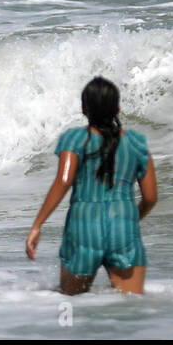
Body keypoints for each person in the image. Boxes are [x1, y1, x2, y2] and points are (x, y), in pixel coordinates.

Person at [26, 76, 157, 294]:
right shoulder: (136, 143)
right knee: (132, 309)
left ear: (84, 109)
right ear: (117, 108)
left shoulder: (75, 139)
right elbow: (151, 197)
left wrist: (37, 225)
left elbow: (64, 181)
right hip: (123, 229)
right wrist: (131, 219)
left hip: (83, 228)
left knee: (73, 304)